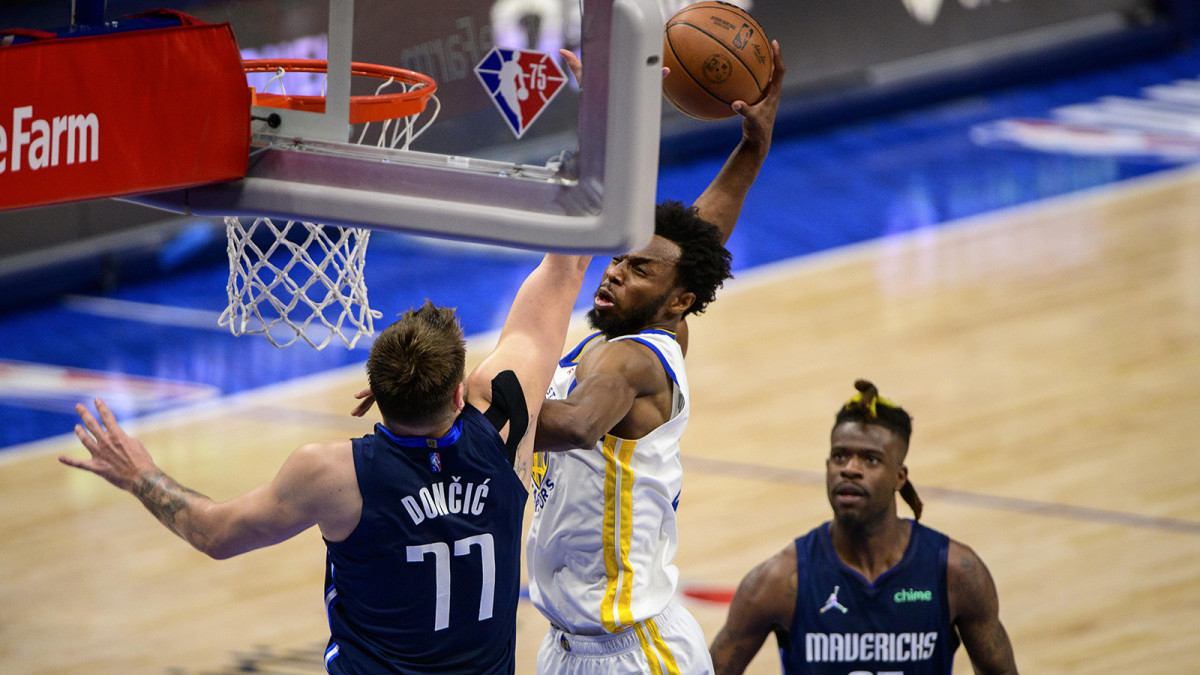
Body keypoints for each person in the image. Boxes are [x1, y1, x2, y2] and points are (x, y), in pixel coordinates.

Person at [59, 252, 592, 674]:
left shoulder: (334, 475)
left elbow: (214, 535)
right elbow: (564, 271)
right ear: (458, 395)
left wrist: (138, 475)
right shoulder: (504, 423)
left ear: (377, 393)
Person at [523, 42, 785, 674]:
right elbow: (698, 241)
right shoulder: (655, 314)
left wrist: (463, 404)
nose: (613, 273)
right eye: (617, 259)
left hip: (636, 656)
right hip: (564, 645)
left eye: (636, 270)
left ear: (678, 302)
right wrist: (752, 149)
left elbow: (579, 424)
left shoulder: (632, 364)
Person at [707, 379, 1019, 675]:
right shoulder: (778, 581)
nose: (849, 469)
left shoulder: (956, 574)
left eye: (870, 460)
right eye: (839, 456)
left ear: (900, 477)